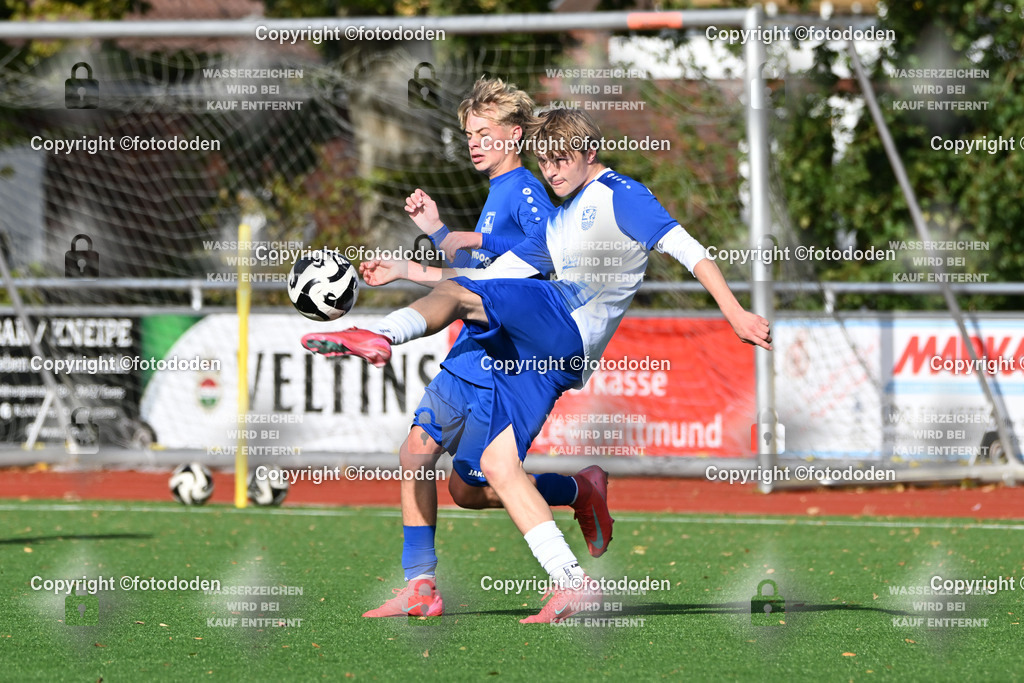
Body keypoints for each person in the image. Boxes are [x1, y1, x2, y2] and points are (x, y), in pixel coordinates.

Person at [304, 108, 772, 623]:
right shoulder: (560, 218)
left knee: (459, 304)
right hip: (541, 354)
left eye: (560, 160)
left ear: (590, 152)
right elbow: (490, 277)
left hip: (565, 324)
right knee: (489, 473)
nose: (551, 171)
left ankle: (380, 335)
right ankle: (573, 576)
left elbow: (686, 248)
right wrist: (409, 270)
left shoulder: (621, 194)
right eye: (545, 161)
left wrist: (735, 312)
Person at [345, 80, 614, 620]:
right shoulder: (497, 192)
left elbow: (540, 256)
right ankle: (420, 585)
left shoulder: (526, 189)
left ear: (514, 135)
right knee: (421, 458)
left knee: (476, 481)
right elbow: (485, 268)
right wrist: (436, 235)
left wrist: (442, 254)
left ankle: (576, 507)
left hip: (501, 356)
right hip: (471, 348)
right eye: (469, 133)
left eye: (485, 133)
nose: (474, 142)